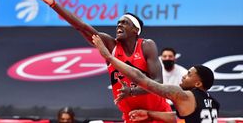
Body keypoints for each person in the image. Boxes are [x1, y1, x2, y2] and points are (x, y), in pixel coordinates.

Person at [29, 0, 172, 123]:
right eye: (118, 23)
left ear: (135, 30)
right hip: (132, 116)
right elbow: (81, 26)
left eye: (124, 22)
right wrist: (53, 4)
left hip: (157, 113)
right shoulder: (110, 45)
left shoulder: (146, 45)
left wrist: (132, 91)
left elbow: (158, 82)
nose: (119, 25)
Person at [92, 35, 220, 123]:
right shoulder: (213, 102)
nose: (184, 76)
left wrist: (109, 57)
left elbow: (143, 79)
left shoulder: (183, 95)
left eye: (189, 75)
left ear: (197, 83)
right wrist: (149, 114)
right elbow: (178, 118)